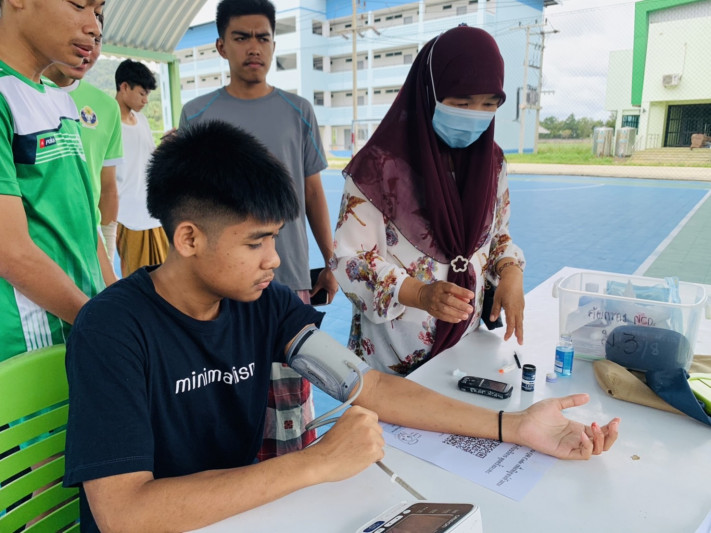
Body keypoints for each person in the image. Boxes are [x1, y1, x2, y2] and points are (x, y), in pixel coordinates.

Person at [63, 121, 620, 532]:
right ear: (188, 238)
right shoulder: (111, 331)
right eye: (256, 242)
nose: (274, 260)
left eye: (274, 239)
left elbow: (366, 384)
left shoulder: (264, 304)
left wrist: (512, 426)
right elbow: (124, 513)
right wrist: (315, 464)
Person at [179, 0, 338, 458]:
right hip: (217, 286)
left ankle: (293, 487)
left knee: (289, 403)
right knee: (221, 398)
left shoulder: (298, 110)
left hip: (287, 280)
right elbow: (186, 204)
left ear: (273, 43)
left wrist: (331, 262)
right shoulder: (197, 115)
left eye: (263, 37)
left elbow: (313, 194)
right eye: (242, 37)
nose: (254, 47)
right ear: (220, 46)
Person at [333, 26, 524, 375]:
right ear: (429, 92)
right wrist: (419, 294)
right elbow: (350, 260)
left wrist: (511, 272)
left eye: (489, 104)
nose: (476, 114)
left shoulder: (492, 163)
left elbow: (497, 237)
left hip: (463, 352)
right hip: (390, 362)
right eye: (462, 103)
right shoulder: (379, 169)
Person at [0, 0, 112, 362]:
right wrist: (102, 323)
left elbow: (86, 227)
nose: (94, 26)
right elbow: (10, 251)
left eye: (97, 11)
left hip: (81, 329)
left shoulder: (60, 102)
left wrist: (117, 304)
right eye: (79, 4)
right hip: (27, 347)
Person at [44, 24, 123, 265]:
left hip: (89, 243)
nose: (87, 48)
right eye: (76, 36)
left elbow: (108, 187)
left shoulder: (107, 107)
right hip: (35, 241)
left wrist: (107, 241)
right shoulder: (17, 92)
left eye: (97, 40)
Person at [114, 58, 169, 277]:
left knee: (166, 276)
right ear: (124, 87)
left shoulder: (142, 120)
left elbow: (149, 158)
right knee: (138, 282)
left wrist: (166, 145)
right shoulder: (108, 122)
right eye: (142, 93)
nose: (146, 100)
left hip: (153, 212)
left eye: (147, 94)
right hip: (126, 215)